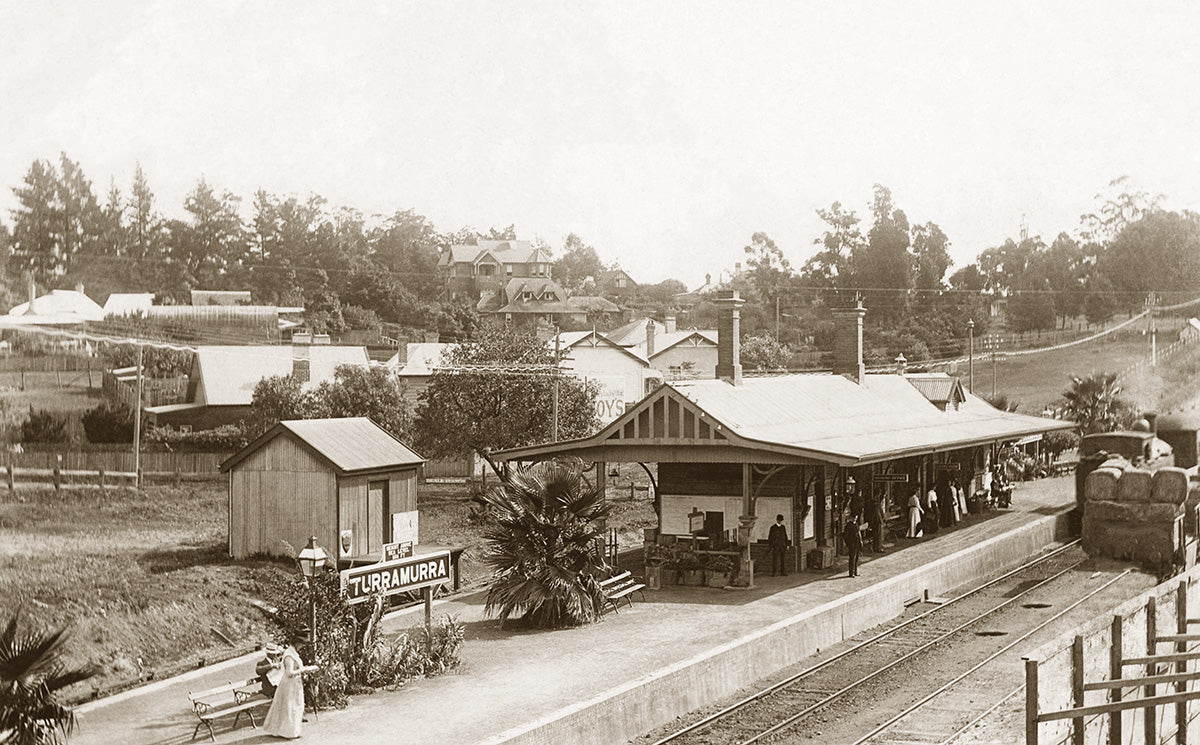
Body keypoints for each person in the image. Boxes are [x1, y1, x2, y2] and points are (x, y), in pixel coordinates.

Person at [263, 643, 309, 739]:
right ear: (297, 642)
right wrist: (304, 670)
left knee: (296, 705)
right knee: (290, 707)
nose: (302, 645)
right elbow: (289, 673)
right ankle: (288, 731)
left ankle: (294, 730)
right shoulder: (289, 655)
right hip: (289, 684)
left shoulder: (293, 653)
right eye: (301, 643)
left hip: (295, 683)